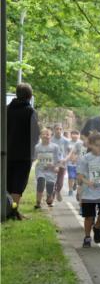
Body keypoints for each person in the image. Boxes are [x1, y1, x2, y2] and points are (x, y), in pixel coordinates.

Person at [5, 82, 40, 218]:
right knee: (18, 185)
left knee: (7, 183)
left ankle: (7, 210)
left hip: (6, 154)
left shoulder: (6, 109)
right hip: (24, 155)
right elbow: (35, 135)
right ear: (29, 96)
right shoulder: (30, 111)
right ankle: (13, 212)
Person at [76, 132, 100, 246]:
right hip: (89, 192)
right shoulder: (85, 159)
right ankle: (87, 237)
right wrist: (88, 182)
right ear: (90, 145)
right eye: (97, 145)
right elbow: (80, 176)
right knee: (89, 217)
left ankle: (97, 227)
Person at [33, 127, 62, 209]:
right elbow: (35, 158)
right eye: (44, 134)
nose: (46, 136)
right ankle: (38, 203)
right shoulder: (37, 147)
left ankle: (49, 198)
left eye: (48, 134)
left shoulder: (55, 147)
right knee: (40, 183)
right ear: (40, 136)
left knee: (50, 186)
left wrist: (56, 167)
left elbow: (58, 159)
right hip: (40, 169)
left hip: (51, 170)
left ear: (51, 136)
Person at [51, 123, 71, 202]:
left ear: (62, 130)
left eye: (60, 129)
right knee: (52, 180)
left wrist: (66, 159)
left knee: (60, 181)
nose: (58, 131)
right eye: (57, 129)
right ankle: (52, 196)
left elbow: (70, 152)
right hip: (53, 162)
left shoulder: (66, 140)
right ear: (54, 130)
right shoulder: (51, 140)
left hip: (62, 163)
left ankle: (58, 191)